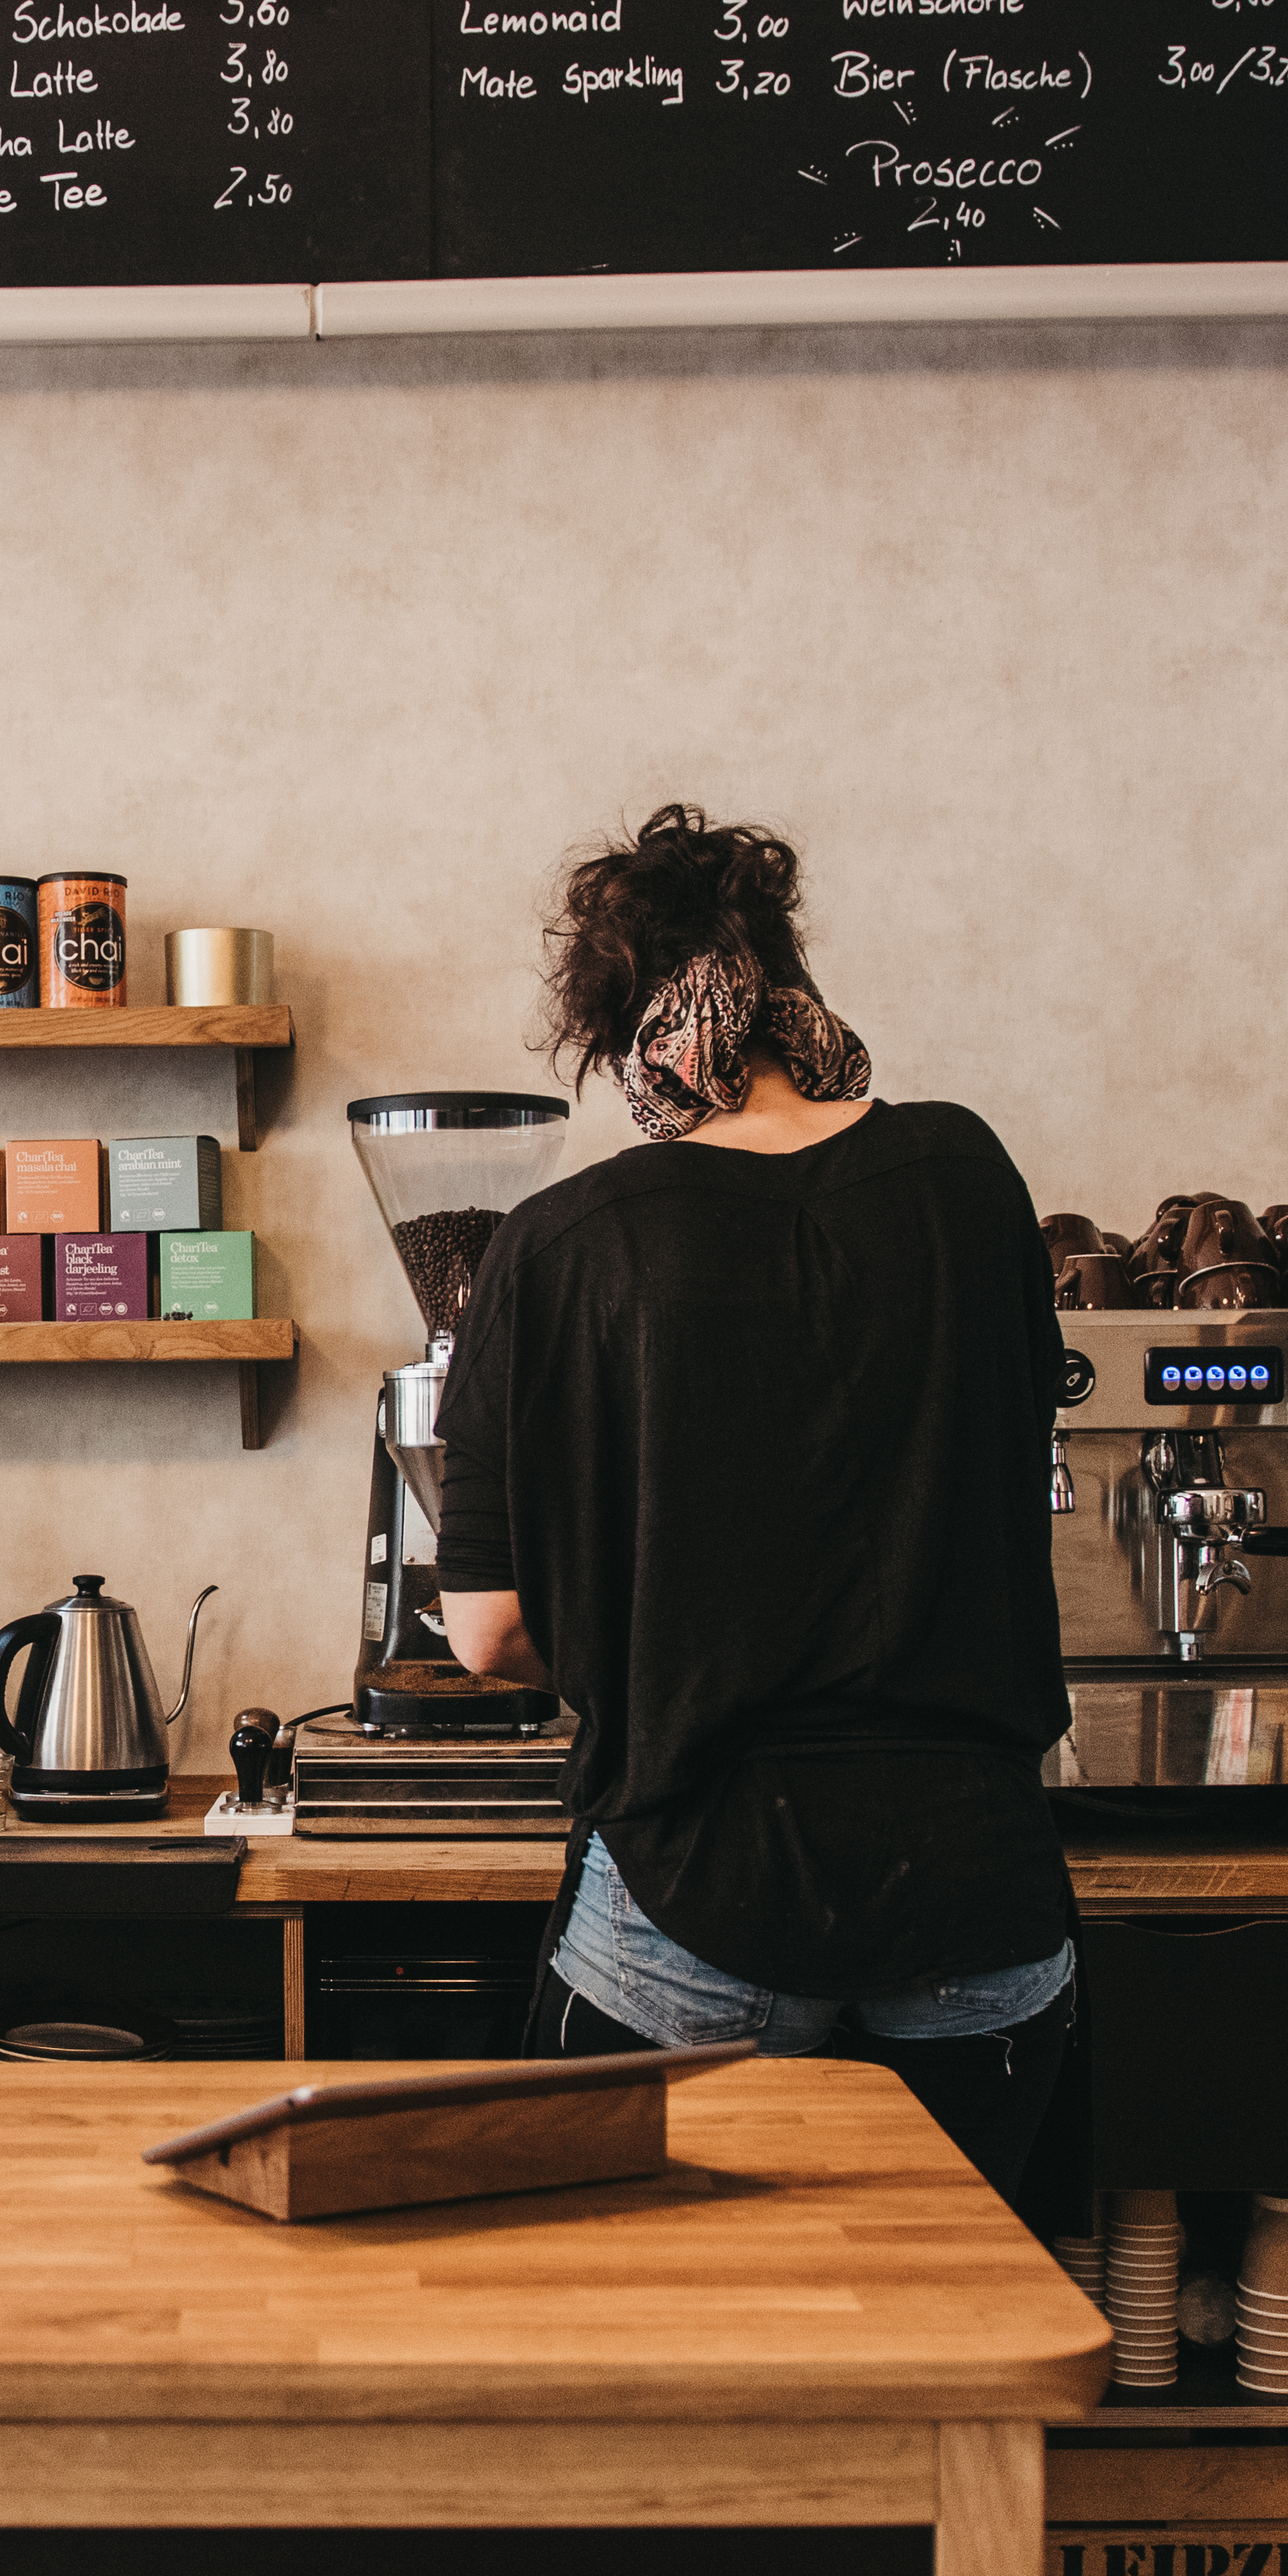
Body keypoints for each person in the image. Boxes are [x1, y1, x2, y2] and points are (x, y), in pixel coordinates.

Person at [434, 805, 1077, 2201]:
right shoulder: (969, 1177)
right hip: (974, 1887)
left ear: (624, 1043)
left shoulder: (560, 1245)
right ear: (789, 987)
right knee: (953, 2367)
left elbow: (485, 1632)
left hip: (693, 1902)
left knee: (684, 2384)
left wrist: (649, 1639)